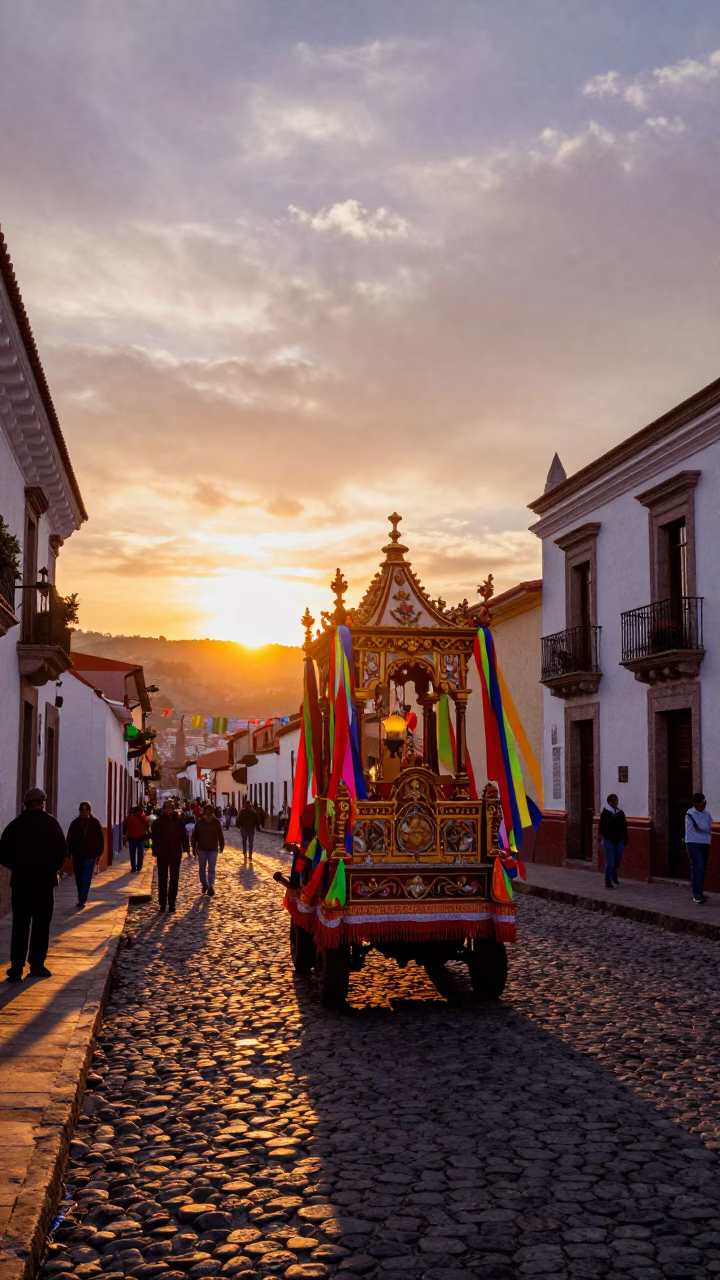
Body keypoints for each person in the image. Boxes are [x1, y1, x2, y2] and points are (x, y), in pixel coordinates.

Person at [0, 787, 67, 981]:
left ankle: (16, 967)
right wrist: (51, 868)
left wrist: (17, 867)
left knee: (20, 925)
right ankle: (36, 965)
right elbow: (62, 850)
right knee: (41, 925)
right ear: (42, 802)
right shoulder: (51, 823)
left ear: (25, 803)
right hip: (44, 883)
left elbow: (3, 854)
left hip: (21, 883)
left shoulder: (15, 825)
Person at [151, 798, 189, 913]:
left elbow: (184, 835)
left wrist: (186, 848)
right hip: (162, 854)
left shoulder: (179, 821)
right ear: (164, 809)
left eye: (171, 808)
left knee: (174, 879)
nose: (169, 811)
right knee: (162, 879)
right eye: (167, 808)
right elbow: (154, 837)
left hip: (175, 853)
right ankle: (162, 903)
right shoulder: (158, 822)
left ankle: (172, 902)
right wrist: (155, 850)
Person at [67, 802, 105, 908]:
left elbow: (100, 839)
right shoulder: (75, 823)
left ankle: (82, 898)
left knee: (86, 877)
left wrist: (99, 852)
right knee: (78, 877)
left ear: (89, 811)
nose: (83, 812)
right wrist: (68, 852)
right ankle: (81, 895)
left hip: (90, 854)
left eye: (85, 810)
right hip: (77, 854)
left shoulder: (95, 823)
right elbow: (69, 838)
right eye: (81, 810)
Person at [192, 802, 225, 895]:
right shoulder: (199, 822)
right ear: (204, 811)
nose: (208, 812)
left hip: (213, 849)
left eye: (210, 810)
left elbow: (220, 835)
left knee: (211, 868)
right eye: (207, 810)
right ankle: (205, 884)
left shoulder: (216, 822)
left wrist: (221, 845)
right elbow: (194, 836)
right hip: (202, 849)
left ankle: (210, 886)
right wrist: (193, 847)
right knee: (202, 869)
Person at [686, 792, 713, 904]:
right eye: (702, 802)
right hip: (693, 843)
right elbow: (700, 827)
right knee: (699, 865)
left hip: (704, 843)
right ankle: (697, 894)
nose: (704, 803)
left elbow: (709, 826)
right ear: (696, 803)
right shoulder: (690, 814)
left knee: (701, 867)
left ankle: (698, 892)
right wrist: (706, 829)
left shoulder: (707, 814)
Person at [598, 794, 628, 889]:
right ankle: (607, 881)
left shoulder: (620, 813)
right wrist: (607, 836)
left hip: (619, 840)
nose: (615, 802)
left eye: (616, 800)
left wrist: (625, 837)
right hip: (608, 840)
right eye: (613, 800)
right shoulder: (605, 813)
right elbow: (601, 828)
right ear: (609, 802)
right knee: (610, 861)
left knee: (617, 860)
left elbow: (624, 826)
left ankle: (613, 876)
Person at [125, 805, 150, 873]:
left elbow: (125, 827)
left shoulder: (129, 818)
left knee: (132, 853)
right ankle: (139, 867)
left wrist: (125, 835)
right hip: (140, 838)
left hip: (131, 838)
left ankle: (133, 868)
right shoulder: (143, 817)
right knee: (140, 853)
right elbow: (147, 825)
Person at [238, 799, 258, 863]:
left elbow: (239, 820)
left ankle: (245, 852)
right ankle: (250, 854)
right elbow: (257, 821)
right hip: (250, 829)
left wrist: (239, 826)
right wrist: (256, 826)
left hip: (244, 828)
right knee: (250, 842)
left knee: (244, 840)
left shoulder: (242, 812)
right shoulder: (253, 812)